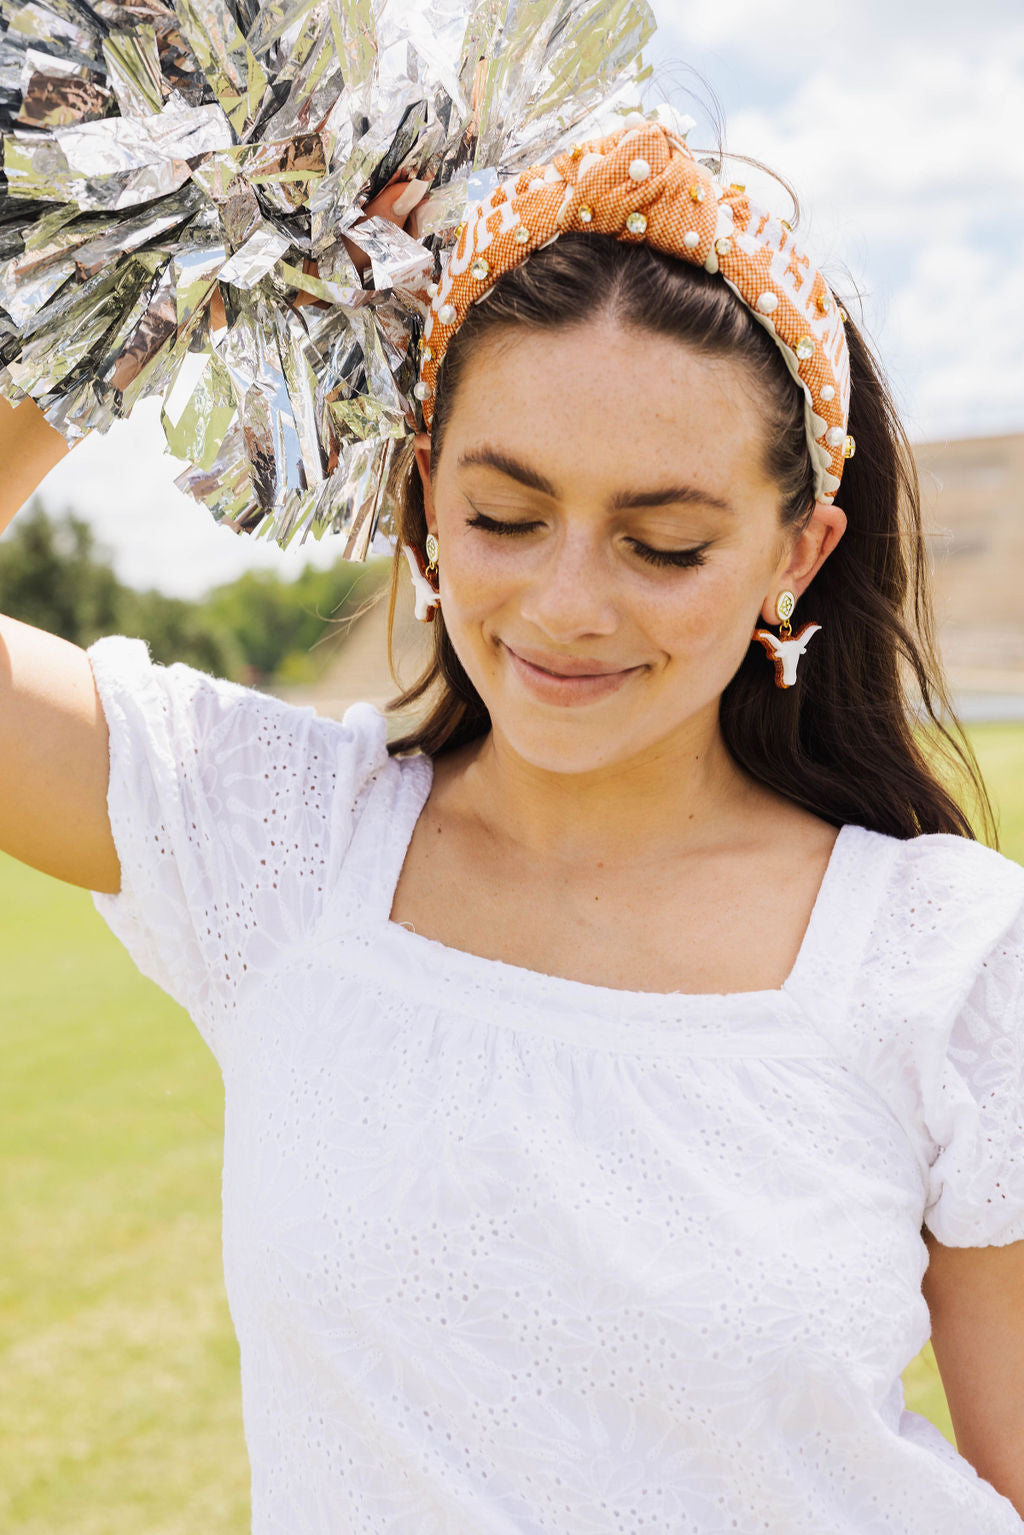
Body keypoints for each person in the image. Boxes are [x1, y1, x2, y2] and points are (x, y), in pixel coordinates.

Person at [2, 113, 1023, 1534]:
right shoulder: (282, 847)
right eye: (504, 515)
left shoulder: (952, 958)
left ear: (800, 554)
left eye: (664, 543)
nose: (564, 607)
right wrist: (188, 238)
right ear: (423, 494)